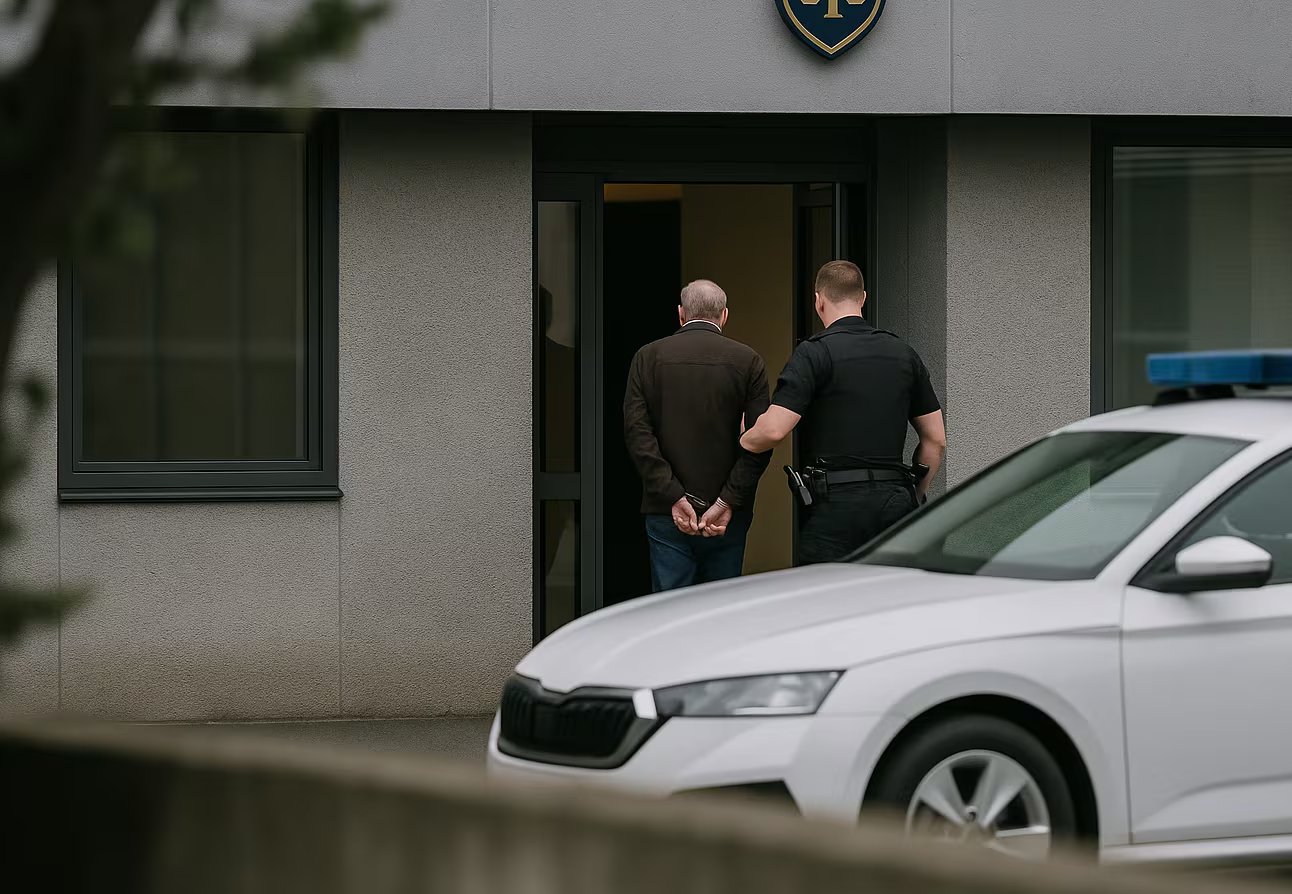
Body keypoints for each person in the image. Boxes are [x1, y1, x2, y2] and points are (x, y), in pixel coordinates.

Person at [740, 260, 947, 565]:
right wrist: (913, 495)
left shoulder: (813, 352)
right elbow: (936, 440)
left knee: (829, 591)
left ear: (818, 301)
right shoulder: (903, 353)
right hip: (895, 500)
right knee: (890, 592)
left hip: (835, 505)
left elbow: (773, 430)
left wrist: (745, 438)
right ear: (863, 298)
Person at [623, 280, 772, 592]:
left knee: (671, 609)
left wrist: (673, 495)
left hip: (666, 509)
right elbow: (761, 441)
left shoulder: (648, 357)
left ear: (681, 313)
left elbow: (638, 434)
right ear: (724, 315)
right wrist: (728, 499)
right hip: (727, 513)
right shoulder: (748, 361)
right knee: (720, 609)